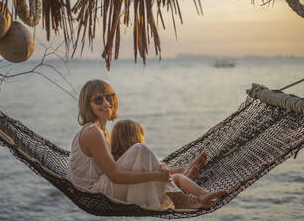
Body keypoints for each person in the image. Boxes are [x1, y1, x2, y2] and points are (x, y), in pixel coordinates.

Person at [68, 79, 227, 210]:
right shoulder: (92, 132)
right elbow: (115, 176)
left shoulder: (103, 131)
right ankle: (181, 194)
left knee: (148, 162)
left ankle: (192, 185)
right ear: (87, 105)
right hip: (92, 193)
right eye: (98, 99)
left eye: (109, 97)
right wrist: (157, 175)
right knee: (139, 149)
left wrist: (161, 174)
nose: (106, 103)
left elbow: (114, 167)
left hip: (101, 187)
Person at [111, 119, 227, 208]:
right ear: (133, 138)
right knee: (162, 169)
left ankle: (202, 193)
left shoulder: (129, 159)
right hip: (137, 194)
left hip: (148, 189)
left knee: (177, 178)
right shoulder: (119, 160)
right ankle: (184, 173)